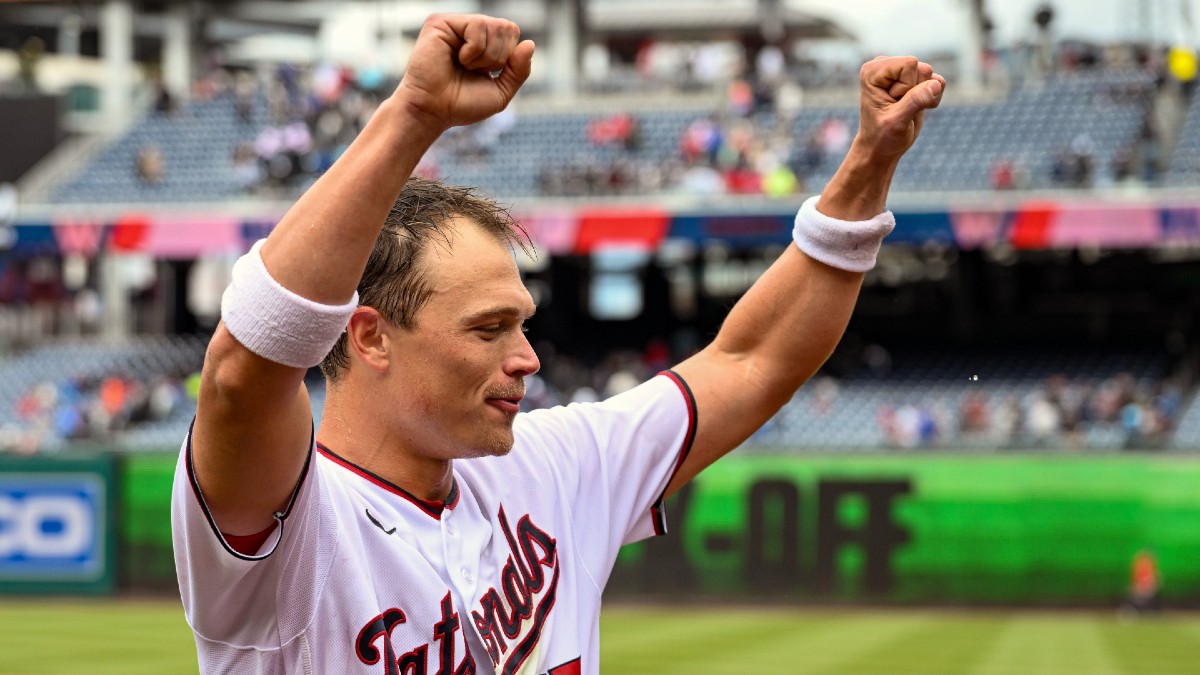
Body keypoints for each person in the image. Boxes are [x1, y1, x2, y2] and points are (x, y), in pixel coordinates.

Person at [171, 13, 945, 674]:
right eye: (488, 327)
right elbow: (243, 373)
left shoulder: (548, 464)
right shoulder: (286, 525)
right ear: (369, 337)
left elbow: (752, 360)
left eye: (523, 323)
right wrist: (412, 114)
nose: (528, 357)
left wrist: (867, 167)